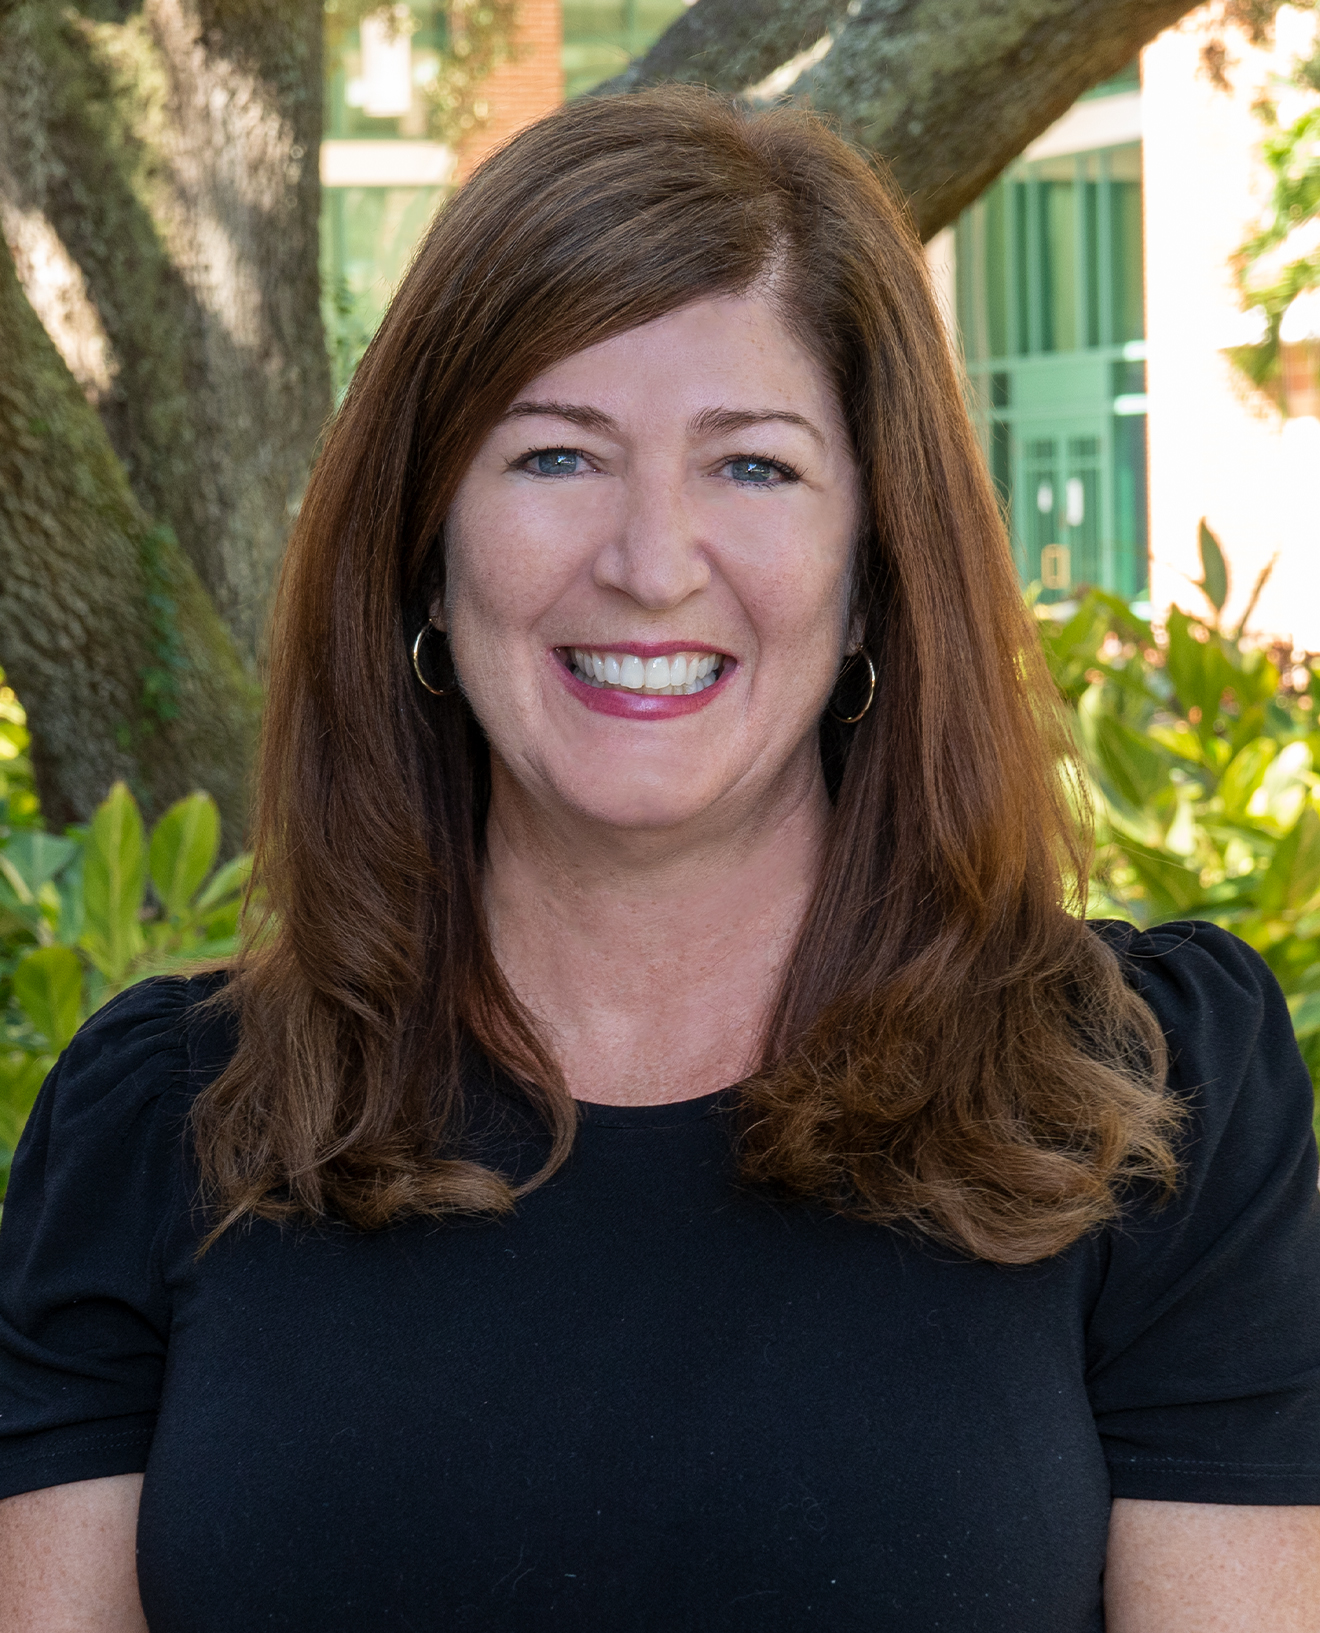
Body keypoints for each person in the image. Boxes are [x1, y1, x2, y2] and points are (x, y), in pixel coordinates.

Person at [2, 86, 1319, 1633]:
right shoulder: (164, 1125)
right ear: (426, 545)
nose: (648, 560)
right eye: (555, 458)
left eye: (751, 467)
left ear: (875, 568)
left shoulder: (1146, 1105)